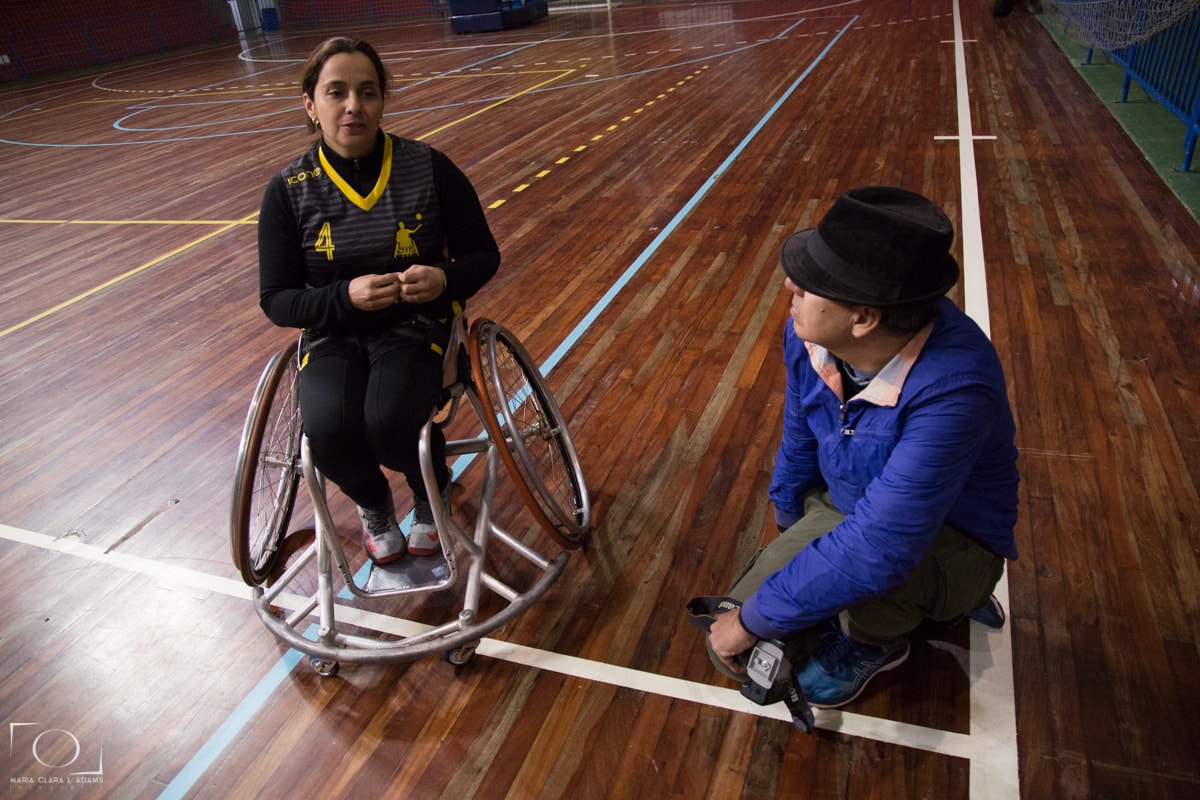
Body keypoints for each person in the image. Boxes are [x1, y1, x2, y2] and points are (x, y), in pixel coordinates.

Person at [705, 186, 1019, 708]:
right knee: (734, 648)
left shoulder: (957, 387)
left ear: (864, 318)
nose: (790, 284)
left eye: (811, 284)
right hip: (853, 506)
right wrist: (790, 523)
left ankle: (879, 641)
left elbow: (883, 545)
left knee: (839, 593)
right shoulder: (809, 334)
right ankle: (885, 605)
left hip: (945, 536)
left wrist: (757, 615)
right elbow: (800, 429)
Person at [258, 37, 500, 565]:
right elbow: (276, 300)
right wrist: (344, 296)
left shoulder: (428, 167)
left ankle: (429, 489)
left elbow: (484, 255)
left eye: (368, 93)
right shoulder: (288, 190)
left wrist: (444, 279)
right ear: (310, 103)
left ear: (383, 100)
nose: (353, 107)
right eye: (336, 92)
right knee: (325, 430)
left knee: (389, 420)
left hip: (414, 326)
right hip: (333, 335)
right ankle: (373, 504)